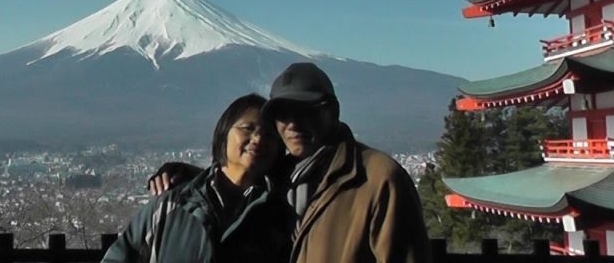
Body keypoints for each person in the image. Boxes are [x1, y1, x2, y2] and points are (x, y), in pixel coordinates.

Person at [149, 62, 430, 263]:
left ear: (333, 112)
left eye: (306, 111)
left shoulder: (377, 178)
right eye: (283, 113)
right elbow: (227, 189)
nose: (293, 124)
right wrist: (186, 175)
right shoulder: (278, 178)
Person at [103, 93, 293, 263]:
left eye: (269, 135)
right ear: (224, 133)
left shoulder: (279, 216)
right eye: (247, 128)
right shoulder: (170, 206)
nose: (258, 139)